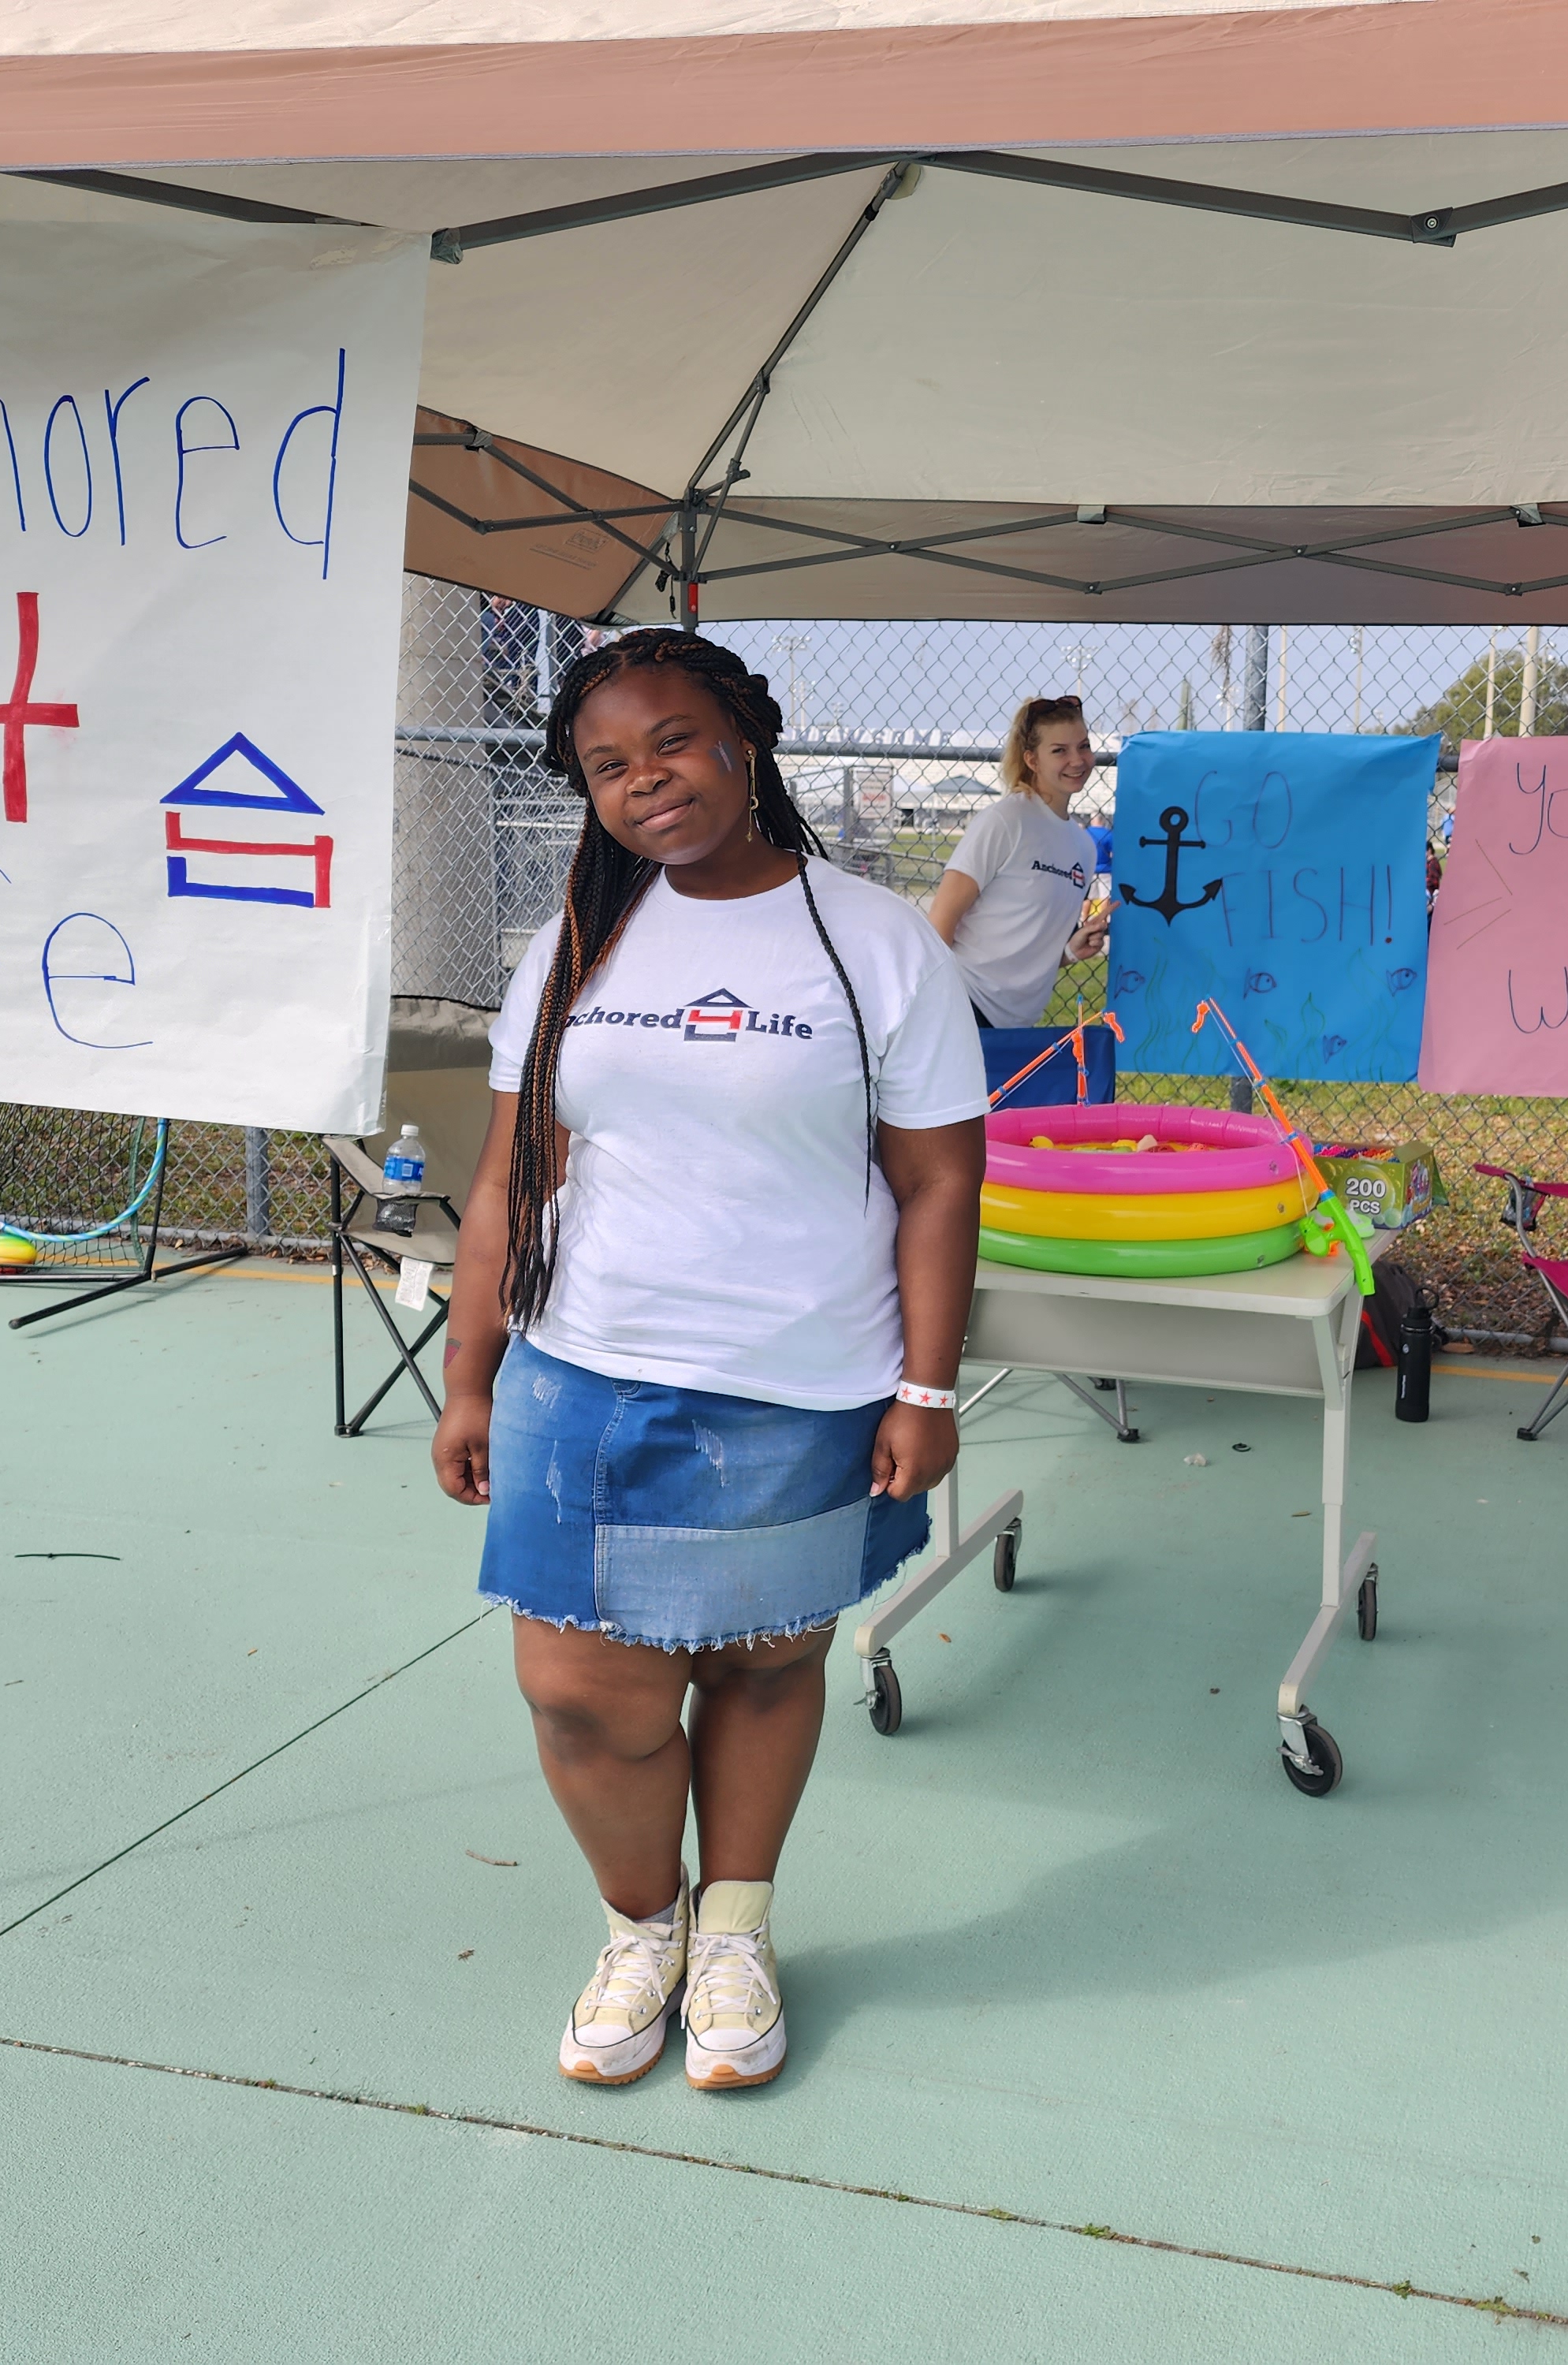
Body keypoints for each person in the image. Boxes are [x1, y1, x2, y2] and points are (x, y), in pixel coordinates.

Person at [432, 627, 988, 2095]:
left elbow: (940, 1181)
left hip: (799, 1380)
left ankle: (734, 1934)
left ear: (743, 739)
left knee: (761, 1661)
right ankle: (644, 1927)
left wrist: (928, 1389)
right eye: (607, 765)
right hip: (581, 1370)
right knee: (578, 1692)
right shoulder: (573, 944)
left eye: (671, 741)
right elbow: (509, 1179)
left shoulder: (875, 942)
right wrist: (469, 1372)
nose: (644, 781)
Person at [927, 694, 1106, 1026]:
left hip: (1018, 1025)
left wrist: (1070, 951)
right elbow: (940, 921)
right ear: (1032, 760)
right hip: (964, 1005)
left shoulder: (1084, 847)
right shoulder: (1005, 822)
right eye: (1059, 751)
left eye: (1083, 746)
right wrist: (941, 1010)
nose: (1077, 760)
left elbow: (1031, 950)